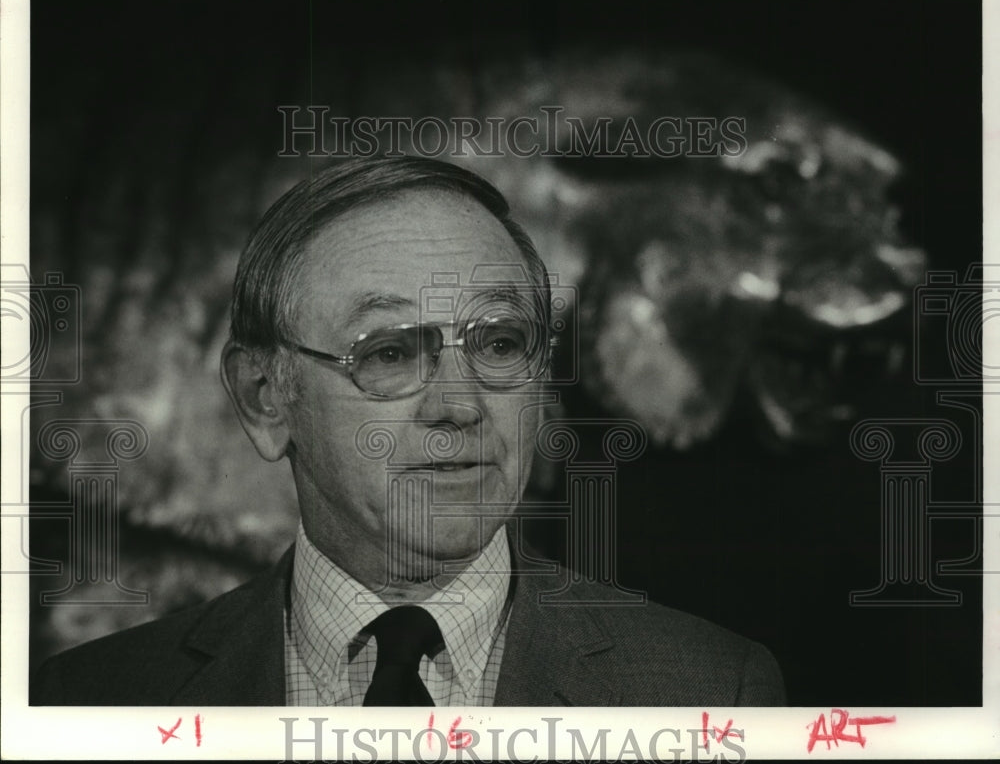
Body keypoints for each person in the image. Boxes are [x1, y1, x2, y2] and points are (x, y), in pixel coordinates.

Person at [31, 156, 785, 706]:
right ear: (265, 397)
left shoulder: (714, 692)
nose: (459, 404)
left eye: (497, 344)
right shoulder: (92, 702)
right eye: (389, 352)